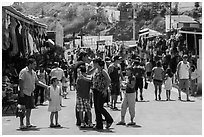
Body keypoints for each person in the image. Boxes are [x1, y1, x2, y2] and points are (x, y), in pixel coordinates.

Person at [18, 58, 49, 129]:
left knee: (29, 108)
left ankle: (28, 122)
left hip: (30, 93)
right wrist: (21, 91)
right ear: (30, 64)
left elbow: (37, 82)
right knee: (22, 108)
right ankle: (21, 123)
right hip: (24, 92)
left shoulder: (34, 73)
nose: (35, 66)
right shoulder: (23, 71)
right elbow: (21, 82)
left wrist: (45, 86)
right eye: (34, 64)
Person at [92, 57, 113, 130]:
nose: (93, 64)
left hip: (101, 90)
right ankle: (99, 124)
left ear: (97, 63)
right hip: (95, 90)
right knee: (96, 108)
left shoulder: (103, 71)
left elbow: (108, 80)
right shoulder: (96, 70)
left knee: (99, 107)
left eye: (94, 63)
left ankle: (109, 119)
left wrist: (105, 89)